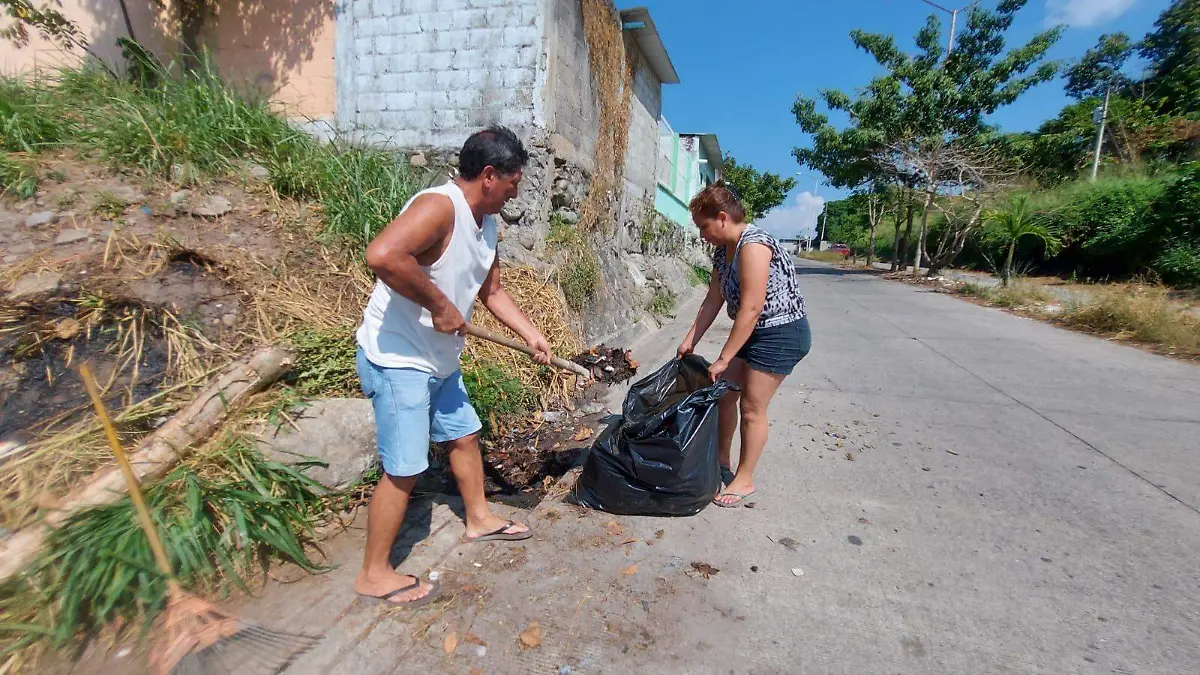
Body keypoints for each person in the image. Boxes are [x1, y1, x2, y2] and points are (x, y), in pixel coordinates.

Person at [353, 126, 552, 606]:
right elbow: (382, 255)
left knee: (463, 434)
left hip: (439, 359)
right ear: (489, 176)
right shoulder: (439, 207)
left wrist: (530, 333)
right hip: (398, 356)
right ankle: (374, 573)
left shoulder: (486, 222)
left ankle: (479, 519)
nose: (517, 191)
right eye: (513, 182)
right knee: (404, 467)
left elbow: (492, 291)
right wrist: (440, 305)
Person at [676, 183, 811, 508]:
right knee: (725, 395)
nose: (701, 234)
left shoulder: (755, 245)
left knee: (751, 408)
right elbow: (713, 299)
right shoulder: (723, 252)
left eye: (703, 227)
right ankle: (721, 461)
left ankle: (745, 479)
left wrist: (723, 358)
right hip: (753, 332)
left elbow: (751, 308)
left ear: (722, 218)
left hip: (781, 334)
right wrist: (689, 340)